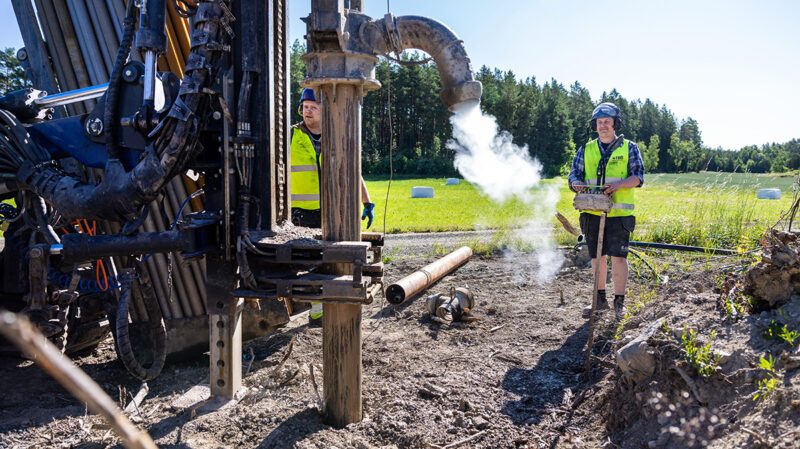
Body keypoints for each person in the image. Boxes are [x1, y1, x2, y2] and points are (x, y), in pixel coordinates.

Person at [290, 87, 375, 326]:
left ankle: (331, 306)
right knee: (306, 262)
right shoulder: (290, 136)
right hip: (299, 213)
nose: (308, 112)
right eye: (305, 107)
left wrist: (366, 202)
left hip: (330, 211)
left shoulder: (335, 136)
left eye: (313, 107)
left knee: (329, 260)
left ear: (324, 110)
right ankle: (317, 312)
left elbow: (353, 171)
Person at [568, 102, 644, 321]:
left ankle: (619, 303)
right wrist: (576, 184)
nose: (603, 126)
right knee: (597, 258)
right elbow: (574, 175)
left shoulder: (629, 148)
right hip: (591, 212)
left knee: (618, 258)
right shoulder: (586, 149)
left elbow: (638, 177)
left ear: (615, 124)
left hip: (619, 216)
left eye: (607, 122)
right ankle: (599, 302)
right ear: (595, 125)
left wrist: (619, 185)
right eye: (599, 122)